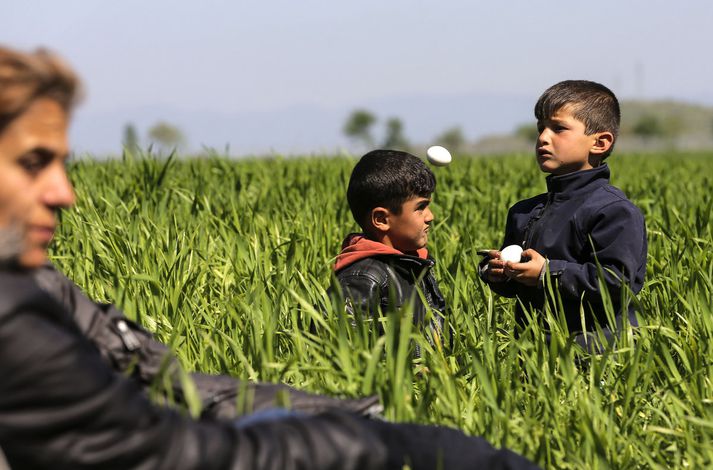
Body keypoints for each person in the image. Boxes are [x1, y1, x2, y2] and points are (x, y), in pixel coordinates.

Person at [0, 45, 538, 469]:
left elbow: (167, 384)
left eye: (61, 164)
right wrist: (368, 444)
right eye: (32, 162)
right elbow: (164, 454)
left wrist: (326, 412)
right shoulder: (14, 315)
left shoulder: (37, 286)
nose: (62, 192)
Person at [480, 80, 647, 350]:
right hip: (533, 356)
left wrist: (548, 272)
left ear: (600, 143)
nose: (543, 138)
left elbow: (617, 282)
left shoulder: (614, 211)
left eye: (559, 128)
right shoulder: (524, 211)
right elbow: (517, 288)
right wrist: (498, 272)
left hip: (596, 357)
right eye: (540, 128)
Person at [330, 149, 447, 347]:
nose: (430, 216)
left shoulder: (414, 263)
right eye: (420, 207)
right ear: (381, 219)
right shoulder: (362, 278)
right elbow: (345, 348)